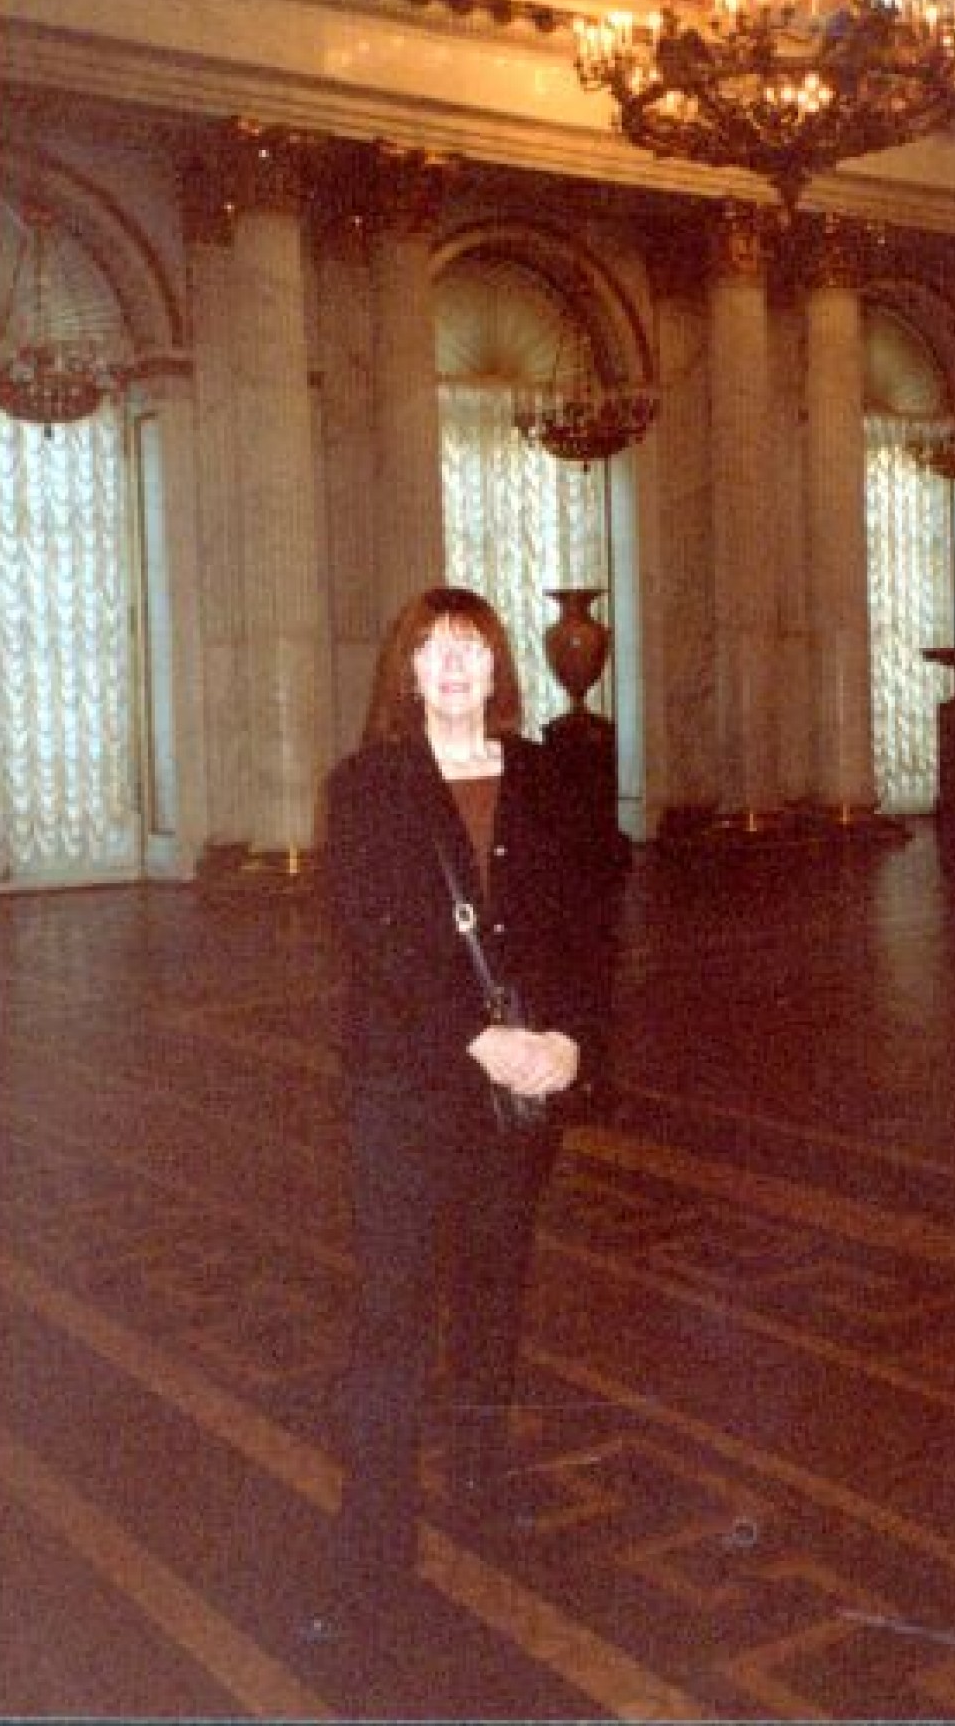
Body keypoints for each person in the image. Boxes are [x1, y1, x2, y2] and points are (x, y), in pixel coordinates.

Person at [310, 585, 611, 1658]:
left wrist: (570, 1042)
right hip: (408, 1088)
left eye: (471, 648)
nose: (452, 666)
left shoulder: (549, 779)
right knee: (394, 1308)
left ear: (497, 669)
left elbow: (587, 927)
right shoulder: (367, 786)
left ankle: (481, 1486)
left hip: (519, 1088)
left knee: (493, 1293)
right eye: (432, 649)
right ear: (407, 670)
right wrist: (477, 1038)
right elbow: (376, 940)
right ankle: (375, 1534)